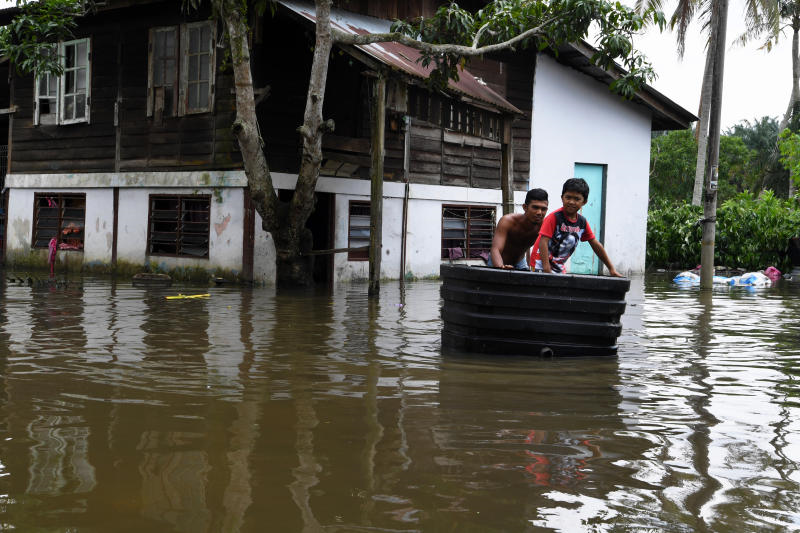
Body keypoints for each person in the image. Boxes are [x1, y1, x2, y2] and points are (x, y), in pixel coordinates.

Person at [531, 178, 622, 277]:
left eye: (577, 199)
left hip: (558, 267)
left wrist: (611, 269)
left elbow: (595, 244)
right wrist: (546, 270)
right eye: (568, 197)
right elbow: (543, 242)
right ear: (562, 198)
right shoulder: (554, 217)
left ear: (584, 202)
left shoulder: (582, 222)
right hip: (540, 265)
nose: (571, 202)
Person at [488, 188, 549, 270]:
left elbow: (528, 248)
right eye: (535, 207)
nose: (539, 212)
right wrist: (501, 267)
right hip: (497, 261)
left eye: (543, 209)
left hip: (520, 262)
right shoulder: (508, 221)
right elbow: (495, 249)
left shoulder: (544, 227)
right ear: (525, 207)